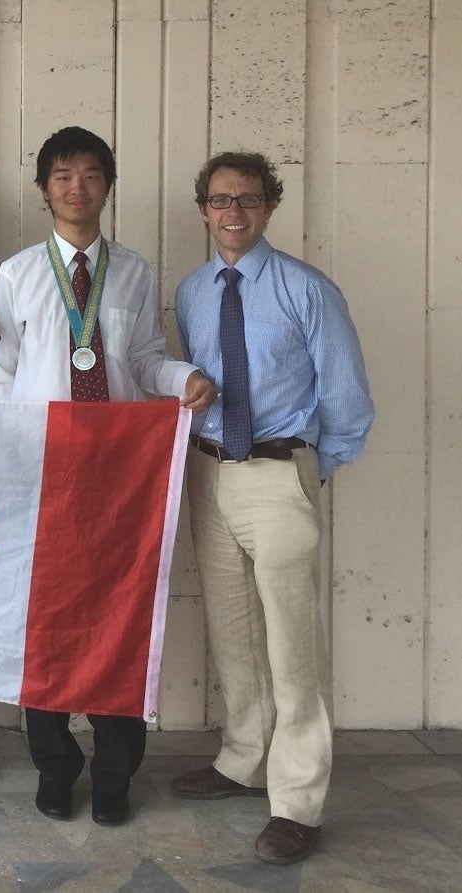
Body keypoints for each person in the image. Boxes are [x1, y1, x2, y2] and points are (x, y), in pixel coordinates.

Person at [0, 126, 216, 827]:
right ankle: (54, 767)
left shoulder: (136, 272)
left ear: (106, 185)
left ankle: (114, 774)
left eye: (88, 174)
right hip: (39, 473)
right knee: (44, 621)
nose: (74, 186)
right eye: (61, 175)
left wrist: (185, 377)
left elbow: (142, 359)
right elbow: (4, 374)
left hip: (117, 478)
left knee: (118, 620)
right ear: (43, 188)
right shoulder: (17, 273)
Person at [169, 151, 373, 865]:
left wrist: (309, 471)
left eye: (248, 199)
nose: (233, 213)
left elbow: (346, 398)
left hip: (279, 470)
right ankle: (239, 759)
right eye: (221, 200)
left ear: (268, 207)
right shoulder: (193, 291)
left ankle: (295, 801)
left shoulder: (305, 290)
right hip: (208, 472)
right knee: (232, 634)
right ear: (203, 210)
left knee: (291, 646)